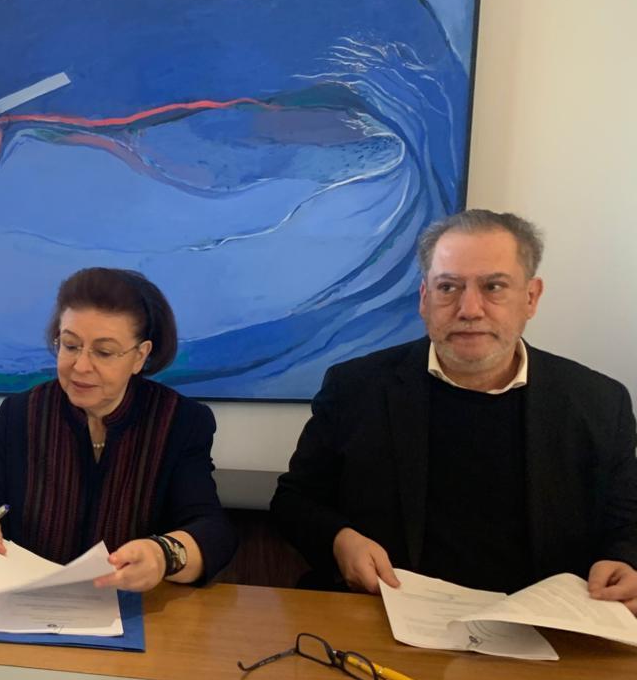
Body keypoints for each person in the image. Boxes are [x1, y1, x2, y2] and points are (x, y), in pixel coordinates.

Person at [271, 209, 637, 614]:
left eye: (493, 286)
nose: (469, 309)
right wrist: (340, 539)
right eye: (448, 287)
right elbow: (295, 501)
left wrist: (625, 561)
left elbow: (626, 523)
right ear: (424, 298)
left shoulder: (600, 403)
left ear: (531, 298)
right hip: (384, 618)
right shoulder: (355, 388)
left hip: (540, 627)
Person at [0, 267, 237, 590]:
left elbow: (213, 532)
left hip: (133, 606)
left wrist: (164, 555)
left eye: (103, 352)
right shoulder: (21, 414)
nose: (81, 366)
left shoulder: (180, 421)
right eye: (70, 345)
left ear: (140, 356)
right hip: (30, 601)